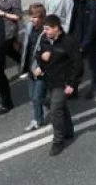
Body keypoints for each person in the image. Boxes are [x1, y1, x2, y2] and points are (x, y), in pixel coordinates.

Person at [34, 15, 80, 156]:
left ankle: (58, 141)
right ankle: (69, 131)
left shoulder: (68, 42)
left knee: (55, 110)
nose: (45, 32)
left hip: (63, 81)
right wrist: (41, 61)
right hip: (49, 80)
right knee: (57, 106)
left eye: (48, 29)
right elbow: (38, 53)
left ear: (56, 28)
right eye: (44, 29)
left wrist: (72, 83)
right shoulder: (44, 39)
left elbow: (77, 64)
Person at [68, 0, 96, 99]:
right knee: (76, 65)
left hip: (89, 42)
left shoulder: (92, 5)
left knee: (92, 64)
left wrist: (84, 45)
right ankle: (73, 89)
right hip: (77, 39)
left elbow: (92, 27)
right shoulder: (77, 0)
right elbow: (75, 21)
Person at [20, 3, 48, 131]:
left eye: (35, 17)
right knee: (33, 96)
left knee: (37, 97)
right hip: (31, 68)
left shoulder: (47, 32)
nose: (32, 20)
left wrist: (41, 67)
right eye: (31, 17)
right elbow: (27, 46)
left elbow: (50, 53)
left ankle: (38, 120)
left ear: (42, 18)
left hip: (41, 70)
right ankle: (53, 105)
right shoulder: (29, 28)